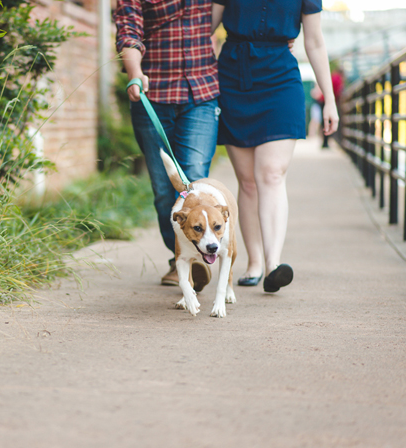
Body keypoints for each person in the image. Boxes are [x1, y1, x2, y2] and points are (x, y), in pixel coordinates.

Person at [210, 0, 339, 293]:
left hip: (280, 78)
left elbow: (315, 41)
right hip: (234, 76)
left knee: (270, 173)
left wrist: (329, 99)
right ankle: (254, 262)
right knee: (248, 182)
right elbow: (205, 29)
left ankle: (273, 265)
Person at [114, 0, 220, 290]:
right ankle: (180, 258)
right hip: (153, 94)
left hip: (201, 91)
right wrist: (134, 72)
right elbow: (129, 30)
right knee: (164, 191)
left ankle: (197, 258)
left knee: (194, 178)